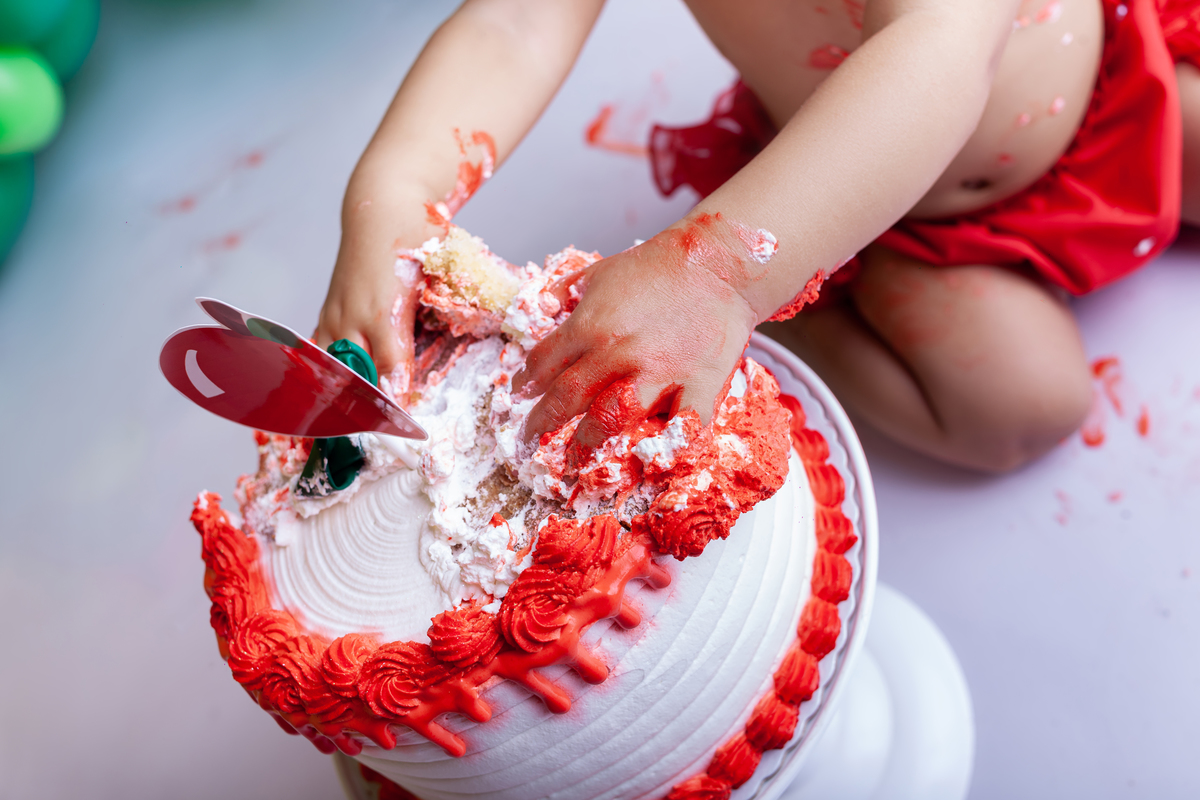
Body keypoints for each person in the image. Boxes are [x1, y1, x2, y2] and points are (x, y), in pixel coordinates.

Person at [315, 0, 1200, 472]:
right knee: (1019, 412)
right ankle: (808, 309)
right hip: (867, 201)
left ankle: (739, 292)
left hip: (1119, 83)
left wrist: (721, 274)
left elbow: (941, 38)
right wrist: (397, 186)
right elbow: (516, 21)